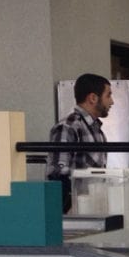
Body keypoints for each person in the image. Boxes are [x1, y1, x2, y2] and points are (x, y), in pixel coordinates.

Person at [46, 73, 113, 213]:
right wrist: (65, 213)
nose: (111, 102)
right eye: (108, 95)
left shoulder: (96, 130)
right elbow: (58, 176)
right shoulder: (68, 127)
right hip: (75, 213)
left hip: (91, 210)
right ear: (93, 98)